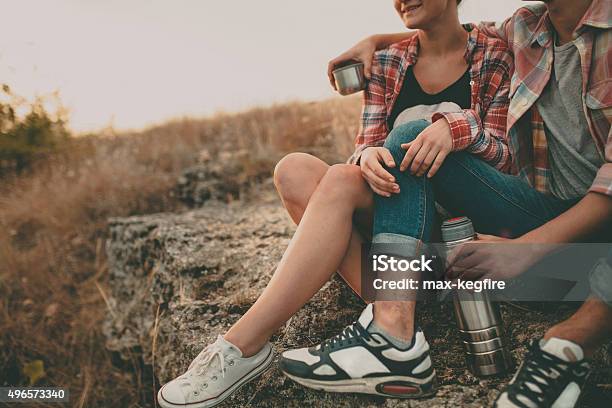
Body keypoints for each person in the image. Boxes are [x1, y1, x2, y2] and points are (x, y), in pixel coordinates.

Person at [157, 0, 514, 407]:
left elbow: (504, 157)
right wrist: (368, 158)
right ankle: (386, 309)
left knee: (401, 139)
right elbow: (363, 149)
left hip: (457, 238)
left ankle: (242, 345)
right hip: (394, 231)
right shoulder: (388, 62)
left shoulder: (493, 51)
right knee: (295, 169)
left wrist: (454, 129)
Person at [321, 0, 612, 407]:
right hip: (547, 217)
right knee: (414, 133)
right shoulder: (527, 26)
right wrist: (374, 41)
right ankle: (391, 330)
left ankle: (565, 349)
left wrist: (524, 251)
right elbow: (451, 32)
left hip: (596, 234)